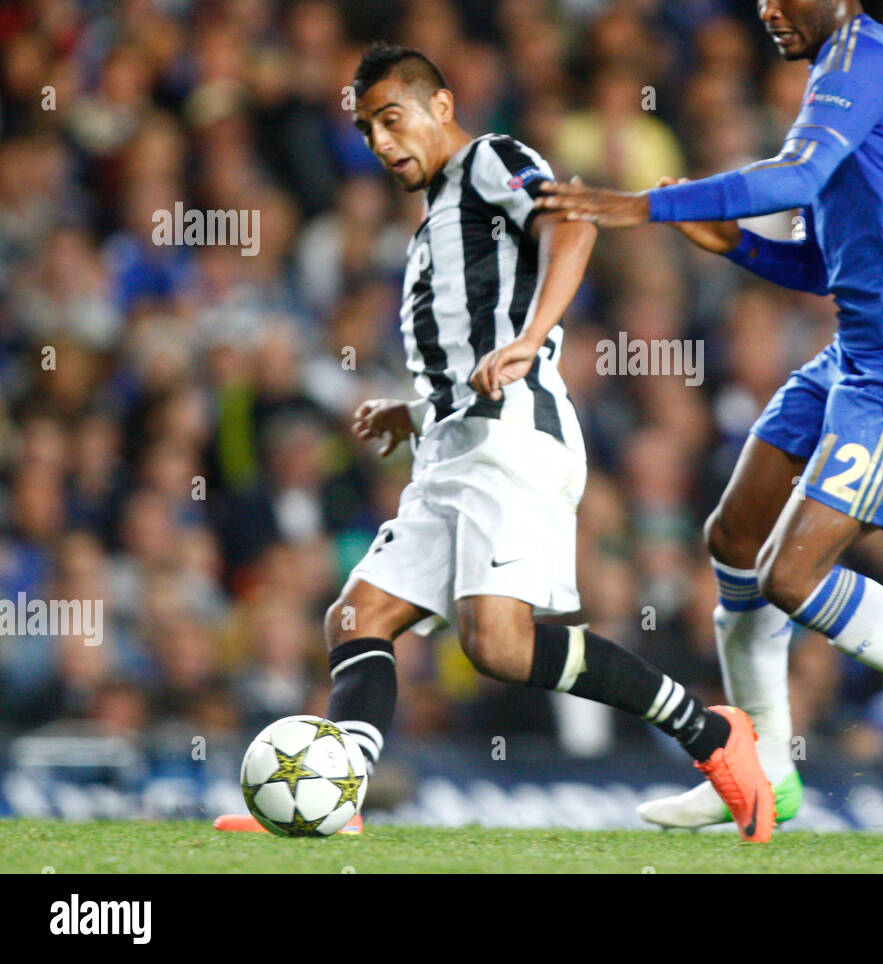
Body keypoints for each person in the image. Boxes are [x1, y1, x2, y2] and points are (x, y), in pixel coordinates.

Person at [539, 0, 883, 830]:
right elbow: (821, 259)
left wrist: (644, 205)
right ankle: (765, 769)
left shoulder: (866, 62)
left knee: (790, 576)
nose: (770, 8)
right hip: (860, 349)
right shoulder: (836, 80)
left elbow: (796, 178)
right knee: (732, 540)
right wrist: (732, 245)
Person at [216, 43, 774, 842]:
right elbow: (471, 343)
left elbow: (570, 228)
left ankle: (713, 735)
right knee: (358, 615)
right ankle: (338, 805)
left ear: (440, 107)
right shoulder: (434, 220)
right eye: (367, 128)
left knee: (499, 646)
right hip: (449, 447)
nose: (380, 142)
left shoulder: (489, 161)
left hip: (512, 440)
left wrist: (534, 337)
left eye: (392, 118)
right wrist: (414, 410)